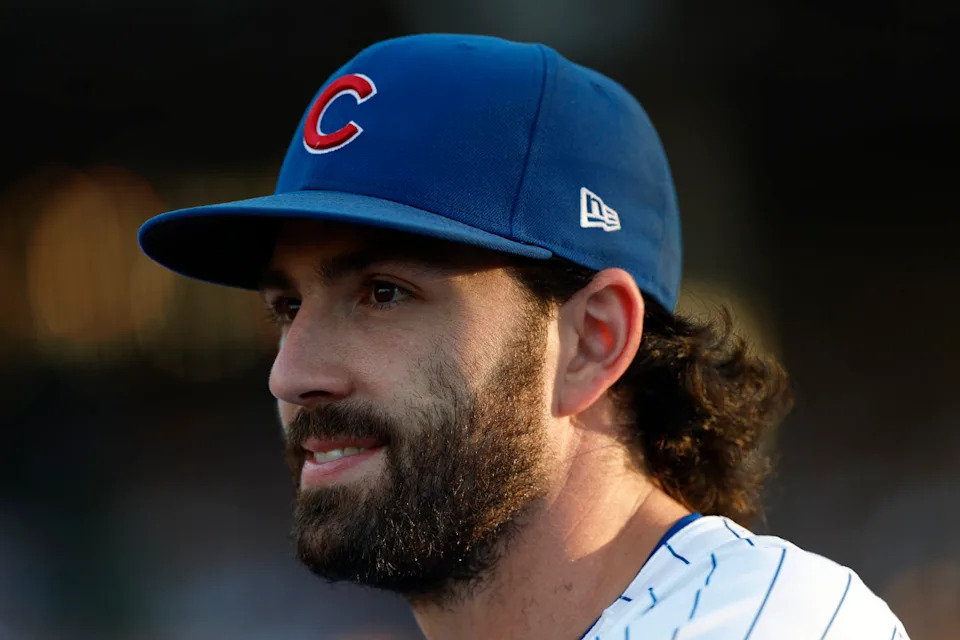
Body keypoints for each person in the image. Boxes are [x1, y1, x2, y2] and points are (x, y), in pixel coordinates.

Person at [139, 34, 909, 640]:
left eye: (383, 293)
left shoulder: (762, 626)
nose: (290, 373)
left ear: (592, 341)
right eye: (287, 307)